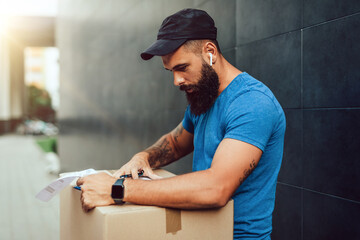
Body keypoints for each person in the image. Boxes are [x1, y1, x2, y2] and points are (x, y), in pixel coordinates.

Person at [76, 8, 286, 240]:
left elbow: (215, 189)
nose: (176, 81)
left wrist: (116, 189)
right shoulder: (204, 97)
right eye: (170, 71)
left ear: (210, 52)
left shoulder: (252, 103)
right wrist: (143, 157)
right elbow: (175, 144)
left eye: (182, 68)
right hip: (199, 231)